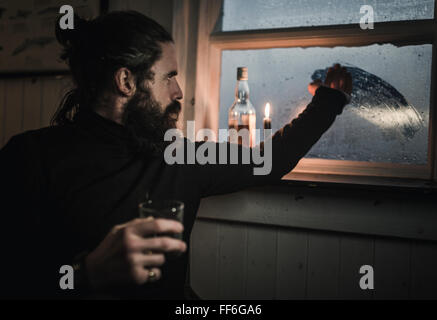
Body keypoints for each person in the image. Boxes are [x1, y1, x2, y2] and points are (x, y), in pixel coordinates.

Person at [0, 11, 352, 299]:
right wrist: (86, 274)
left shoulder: (182, 157)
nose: (179, 91)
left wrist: (327, 100)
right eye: (169, 77)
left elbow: (268, 160)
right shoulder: (29, 158)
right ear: (126, 81)